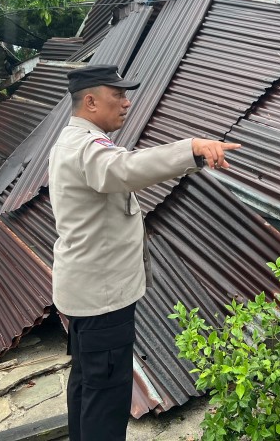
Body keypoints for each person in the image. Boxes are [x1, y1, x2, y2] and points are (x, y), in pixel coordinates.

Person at [48, 64, 240, 441]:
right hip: (102, 300)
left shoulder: (78, 142)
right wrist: (192, 148)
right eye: (117, 95)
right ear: (90, 102)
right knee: (106, 397)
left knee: (88, 384)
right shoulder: (87, 148)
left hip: (88, 294)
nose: (126, 102)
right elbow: (127, 168)